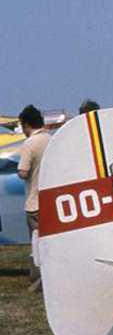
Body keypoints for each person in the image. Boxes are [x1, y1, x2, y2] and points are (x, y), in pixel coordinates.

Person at [16, 106, 50, 293]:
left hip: (34, 201)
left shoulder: (30, 144)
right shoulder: (50, 139)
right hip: (49, 200)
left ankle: (38, 282)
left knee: (37, 244)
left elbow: (23, 172)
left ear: (26, 124)